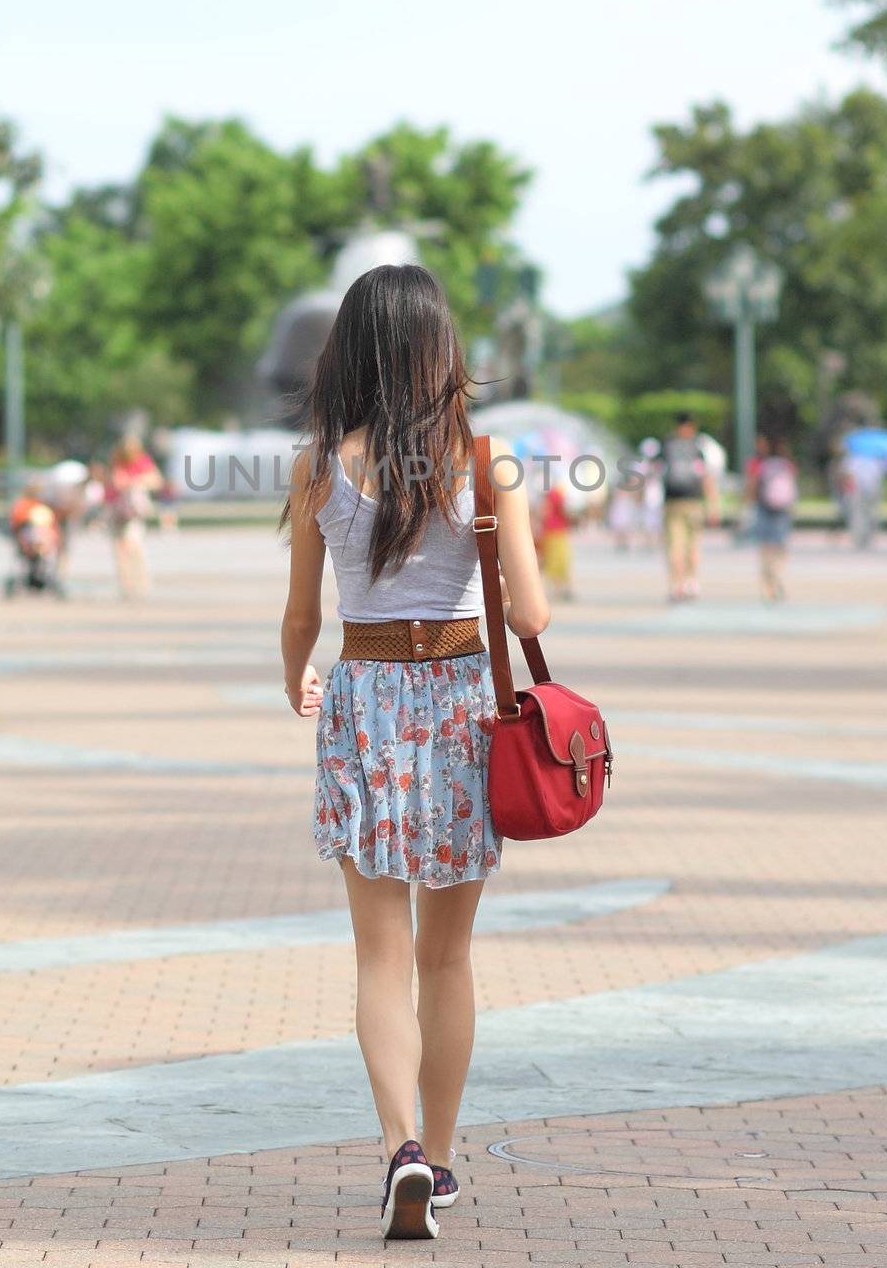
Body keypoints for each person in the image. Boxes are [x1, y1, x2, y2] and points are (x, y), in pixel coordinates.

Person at [279, 264, 548, 1241]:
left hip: (363, 699)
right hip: (461, 706)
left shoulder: (320, 465)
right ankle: (434, 1162)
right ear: (443, 351)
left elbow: (302, 617)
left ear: (347, 350)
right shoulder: (488, 458)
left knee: (379, 954)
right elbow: (530, 611)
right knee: (447, 955)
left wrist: (295, 679)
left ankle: (395, 1144)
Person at [661, 411, 718, 601]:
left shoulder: (667, 445)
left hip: (672, 503)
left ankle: (675, 585)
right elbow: (706, 478)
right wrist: (712, 505)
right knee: (693, 544)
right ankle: (691, 582)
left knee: (674, 546)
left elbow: (654, 473)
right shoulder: (697, 448)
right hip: (693, 502)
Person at [104, 437, 162, 599]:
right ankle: (126, 584)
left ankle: (141, 582)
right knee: (119, 547)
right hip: (115, 508)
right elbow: (114, 483)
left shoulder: (142, 462)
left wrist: (135, 481)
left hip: (131, 510)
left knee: (133, 545)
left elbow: (156, 480)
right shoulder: (116, 462)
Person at [751, 436, 797, 601]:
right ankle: (778, 575)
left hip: (764, 507)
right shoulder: (787, 464)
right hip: (783, 509)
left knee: (765, 548)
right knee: (781, 546)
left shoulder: (759, 464)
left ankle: (768, 583)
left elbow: (752, 486)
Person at [535, 479, 575, 602]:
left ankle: (559, 588)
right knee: (561, 560)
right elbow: (563, 510)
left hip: (550, 532)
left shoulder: (548, 496)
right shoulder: (556, 495)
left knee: (553, 560)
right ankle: (564, 588)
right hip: (558, 532)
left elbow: (543, 514)